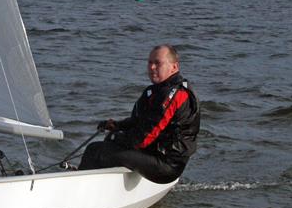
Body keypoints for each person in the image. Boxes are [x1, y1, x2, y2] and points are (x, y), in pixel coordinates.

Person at [78, 44, 200, 183]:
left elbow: (145, 138)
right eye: (150, 63)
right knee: (109, 140)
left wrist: (119, 138)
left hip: (168, 166)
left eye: (158, 63)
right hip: (153, 153)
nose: (152, 67)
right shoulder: (155, 91)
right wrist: (117, 126)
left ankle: (81, 187)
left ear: (174, 67)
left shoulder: (175, 94)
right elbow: (140, 121)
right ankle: (102, 182)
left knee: (95, 150)